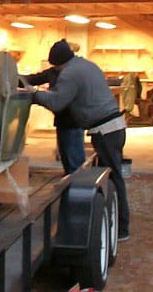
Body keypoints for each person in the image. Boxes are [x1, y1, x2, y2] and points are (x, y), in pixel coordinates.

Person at [31, 39, 130, 241]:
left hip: (106, 132)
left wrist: (33, 95)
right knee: (112, 177)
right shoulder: (85, 64)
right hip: (114, 128)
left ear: (58, 63)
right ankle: (115, 224)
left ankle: (121, 228)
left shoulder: (69, 74)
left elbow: (57, 102)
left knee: (114, 178)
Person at [22, 66, 86, 175]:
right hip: (62, 120)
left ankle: (77, 185)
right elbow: (34, 79)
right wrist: (15, 77)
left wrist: (36, 94)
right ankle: (71, 181)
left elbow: (59, 99)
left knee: (74, 159)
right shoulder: (53, 72)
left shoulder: (73, 73)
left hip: (74, 121)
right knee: (66, 155)